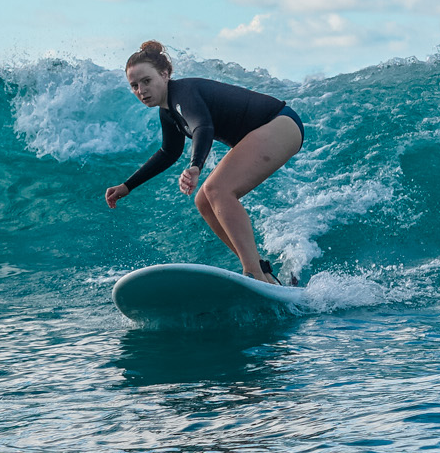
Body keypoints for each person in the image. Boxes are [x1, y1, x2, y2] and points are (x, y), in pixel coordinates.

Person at [104, 41, 305, 285]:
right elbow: (168, 152)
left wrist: (195, 166)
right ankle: (262, 272)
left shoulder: (183, 93)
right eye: (134, 86)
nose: (141, 90)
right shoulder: (167, 111)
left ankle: (253, 274)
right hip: (267, 130)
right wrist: (128, 186)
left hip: (279, 124)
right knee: (204, 201)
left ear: (165, 75)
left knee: (216, 189)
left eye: (147, 81)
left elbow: (203, 126)